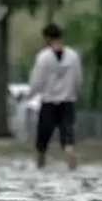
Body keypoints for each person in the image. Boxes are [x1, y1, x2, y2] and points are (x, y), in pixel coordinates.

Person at [28, 23, 83, 170]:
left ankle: (40, 168)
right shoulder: (73, 57)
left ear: (47, 38)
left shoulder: (43, 57)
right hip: (67, 102)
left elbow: (36, 80)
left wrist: (31, 94)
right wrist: (74, 93)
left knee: (42, 144)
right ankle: (73, 169)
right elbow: (78, 80)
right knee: (68, 140)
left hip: (49, 103)